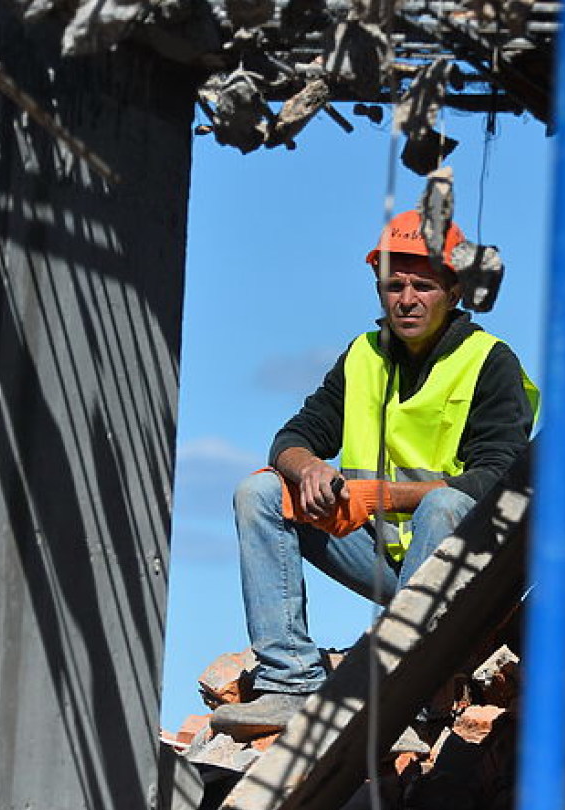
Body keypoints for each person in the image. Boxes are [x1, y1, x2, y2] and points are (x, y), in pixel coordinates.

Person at [210, 209, 538, 737]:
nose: (406, 298)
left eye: (422, 285)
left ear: (453, 291)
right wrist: (311, 468)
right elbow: (290, 439)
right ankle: (289, 683)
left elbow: (498, 481)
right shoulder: (363, 356)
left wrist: (379, 496)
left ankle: (399, 693)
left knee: (445, 505)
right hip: (387, 558)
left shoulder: (489, 361)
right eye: (393, 285)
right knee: (262, 491)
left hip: (468, 569)